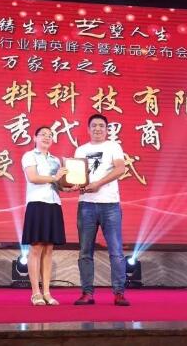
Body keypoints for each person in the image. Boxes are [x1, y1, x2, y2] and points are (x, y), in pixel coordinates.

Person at [74, 114, 130, 306]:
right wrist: (73, 184)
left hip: (110, 205)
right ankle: (87, 293)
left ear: (106, 130)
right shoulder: (81, 150)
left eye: (101, 126)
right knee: (85, 251)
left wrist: (98, 183)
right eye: (94, 126)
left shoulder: (114, 146)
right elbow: (77, 176)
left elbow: (120, 169)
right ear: (88, 129)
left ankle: (119, 292)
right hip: (86, 204)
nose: (97, 129)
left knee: (116, 251)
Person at [21, 126, 72, 306]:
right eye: (43, 134)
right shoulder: (29, 156)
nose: (47, 137)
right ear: (34, 137)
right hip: (37, 204)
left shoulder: (56, 160)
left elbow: (58, 184)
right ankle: (35, 293)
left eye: (50, 135)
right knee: (36, 248)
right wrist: (55, 177)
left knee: (49, 249)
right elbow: (33, 177)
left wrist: (70, 186)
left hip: (54, 204)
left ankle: (47, 292)